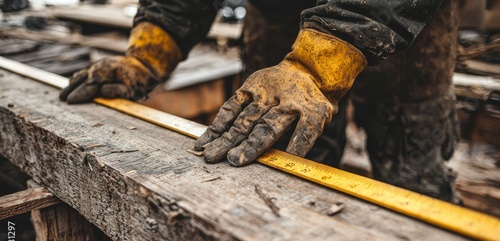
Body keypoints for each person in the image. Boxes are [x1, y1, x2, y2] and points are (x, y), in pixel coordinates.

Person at [60, 0, 461, 203]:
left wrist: (313, 66)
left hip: (405, 18)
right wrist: (147, 52)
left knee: (412, 174)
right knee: (281, 166)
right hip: (278, 16)